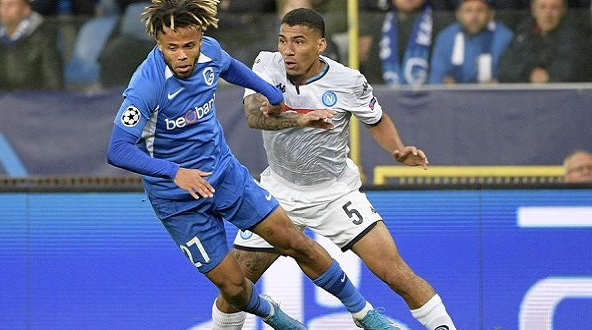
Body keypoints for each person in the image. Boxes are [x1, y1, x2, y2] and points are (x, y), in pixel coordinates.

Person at [106, 1, 395, 329]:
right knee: (233, 287)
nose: (183, 55)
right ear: (158, 43)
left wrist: (271, 94)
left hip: (225, 175)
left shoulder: (210, 52)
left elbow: (231, 68)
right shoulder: (147, 85)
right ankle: (276, 317)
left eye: (190, 45)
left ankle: (364, 314)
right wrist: (175, 172)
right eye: (172, 48)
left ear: (201, 37)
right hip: (178, 201)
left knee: (295, 241)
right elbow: (118, 150)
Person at [212, 8, 456, 330]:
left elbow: (377, 120)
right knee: (236, 284)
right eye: (283, 40)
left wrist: (397, 150)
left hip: (334, 193)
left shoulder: (348, 81)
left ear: (321, 45)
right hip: (280, 193)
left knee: (394, 273)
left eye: (299, 42)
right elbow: (254, 117)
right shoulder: (267, 65)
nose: (288, 50)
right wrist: (301, 117)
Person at [497, 0, 591, 83]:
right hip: (527, 98)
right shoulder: (524, 32)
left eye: (554, 8)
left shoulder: (575, 35)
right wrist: (530, 73)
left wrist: (548, 77)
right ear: (534, 11)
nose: (547, 14)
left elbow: (570, 71)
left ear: (563, 10)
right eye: (542, 7)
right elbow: (505, 66)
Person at [0, 0, 63, 90]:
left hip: (35, 101)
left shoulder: (43, 42)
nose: (4, 9)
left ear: (26, 10)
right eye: (0, 5)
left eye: (11, 5)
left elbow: (54, 85)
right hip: (1, 102)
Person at [429, 0, 513, 84]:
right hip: (454, 96)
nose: (474, 17)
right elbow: (437, 79)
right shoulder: (446, 37)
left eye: (480, 11)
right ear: (458, 14)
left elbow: (511, 78)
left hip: (495, 95)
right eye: (468, 11)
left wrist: (499, 83)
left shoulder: (505, 37)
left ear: (491, 14)